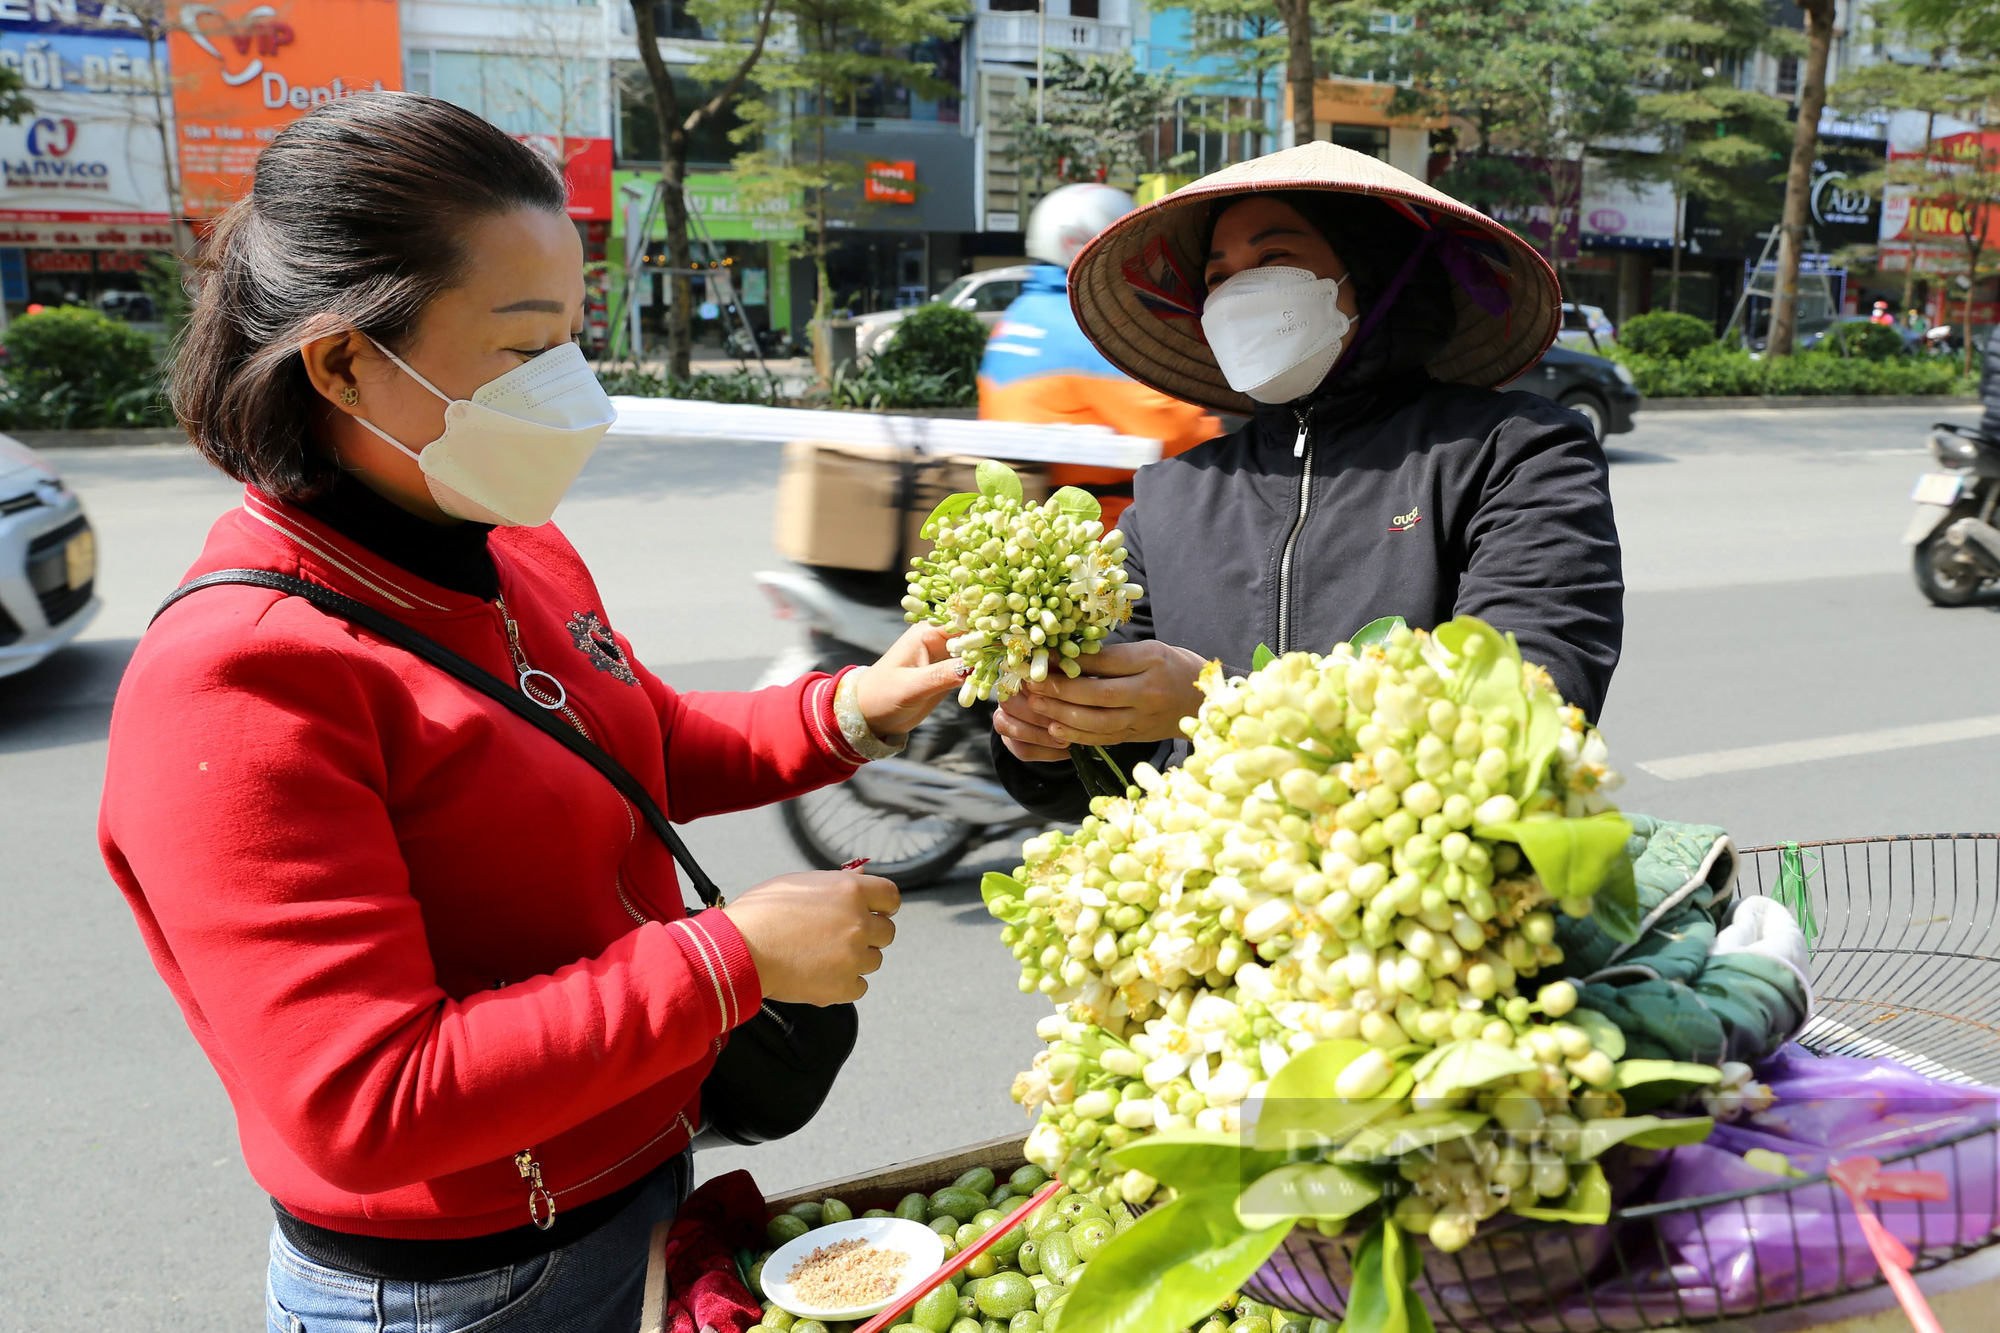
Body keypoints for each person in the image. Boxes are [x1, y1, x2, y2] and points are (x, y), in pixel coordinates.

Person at [98, 93, 967, 1333]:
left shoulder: (514, 550)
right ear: (344, 362)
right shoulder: (243, 678)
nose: (572, 389)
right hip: (458, 1289)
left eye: (573, 336)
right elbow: (362, 1101)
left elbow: (638, 746)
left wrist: (852, 712)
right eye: (521, 351)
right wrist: (725, 961)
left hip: (637, 1191)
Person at [989, 142, 1623, 817]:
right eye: (1219, 276)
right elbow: (1118, 770)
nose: (1238, 295)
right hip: (1207, 902)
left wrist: (1222, 701)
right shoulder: (1169, 496)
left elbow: (1529, 705)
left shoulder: (1514, 453)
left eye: (1274, 260)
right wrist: (1054, 734)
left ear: (1376, 279)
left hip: (1423, 899)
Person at [978, 182, 1221, 526]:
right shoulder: (1086, 327)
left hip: (1040, 529)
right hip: (1104, 533)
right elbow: (1177, 434)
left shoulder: (1020, 315)